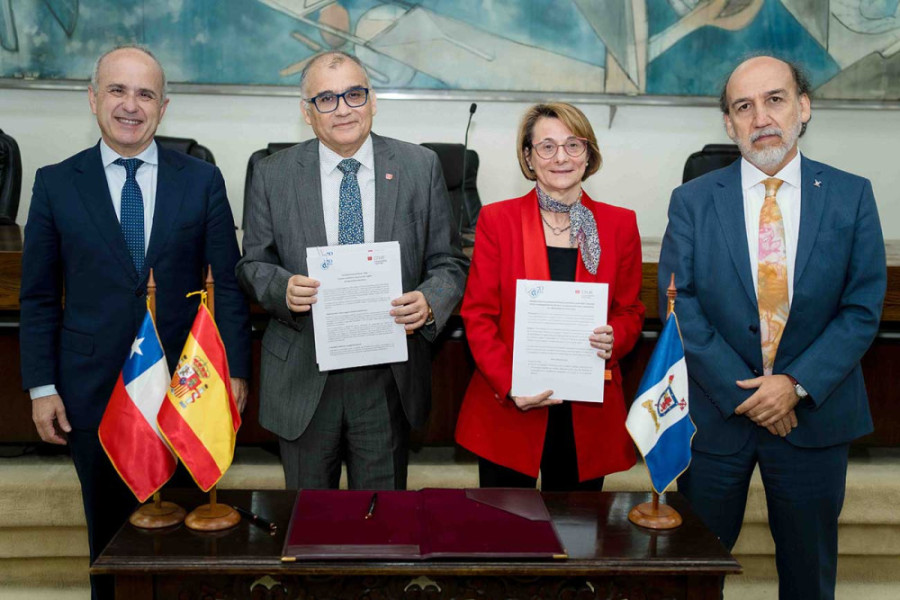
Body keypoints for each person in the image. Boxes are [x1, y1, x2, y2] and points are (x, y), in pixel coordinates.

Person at [19, 45, 251, 600]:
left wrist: (237, 373)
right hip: (90, 390)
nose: (131, 105)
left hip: (185, 390)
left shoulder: (202, 181)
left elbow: (230, 286)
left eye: (145, 93)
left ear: (163, 106)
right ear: (93, 99)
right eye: (117, 91)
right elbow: (39, 297)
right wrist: (42, 387)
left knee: (185, 539)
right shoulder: (55, 183)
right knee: (110, 541)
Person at [658, 55, 886, 600]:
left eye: (775, 99)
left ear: (803, 108)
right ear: (729, 124)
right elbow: (679, 301)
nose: (760, 117)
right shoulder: (691, 202)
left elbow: (861, 309)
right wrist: (745, 394)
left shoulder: (852, 196)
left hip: (813, 421)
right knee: (692, 576)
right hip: (716, 420)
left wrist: (793, 385)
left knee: (809, 579)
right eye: (744, 106)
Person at [236, 51, 468, 491]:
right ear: (307, 113)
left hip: (385, 381)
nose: (343, 108)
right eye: (326, 98)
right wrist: (281, 289)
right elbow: (252, 264)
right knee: (308, 528)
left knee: (381, 530)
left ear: (373, 101)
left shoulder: (420, 167)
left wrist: (430, 300)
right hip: (305, 375)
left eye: (354, 94)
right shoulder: (272, 174)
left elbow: (448, 262)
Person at [454, 102, 644, 490]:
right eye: (547, 146)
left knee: (577, 537)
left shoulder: (619, 224)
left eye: (574, 145)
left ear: (588, 155)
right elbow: (478, 315)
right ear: (528, 156)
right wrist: (511, 383)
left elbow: (630, 311)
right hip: (510, 407)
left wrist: (615, 338)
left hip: (587, 411)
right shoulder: (497, 220)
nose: (561, 157)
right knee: (507, 537)